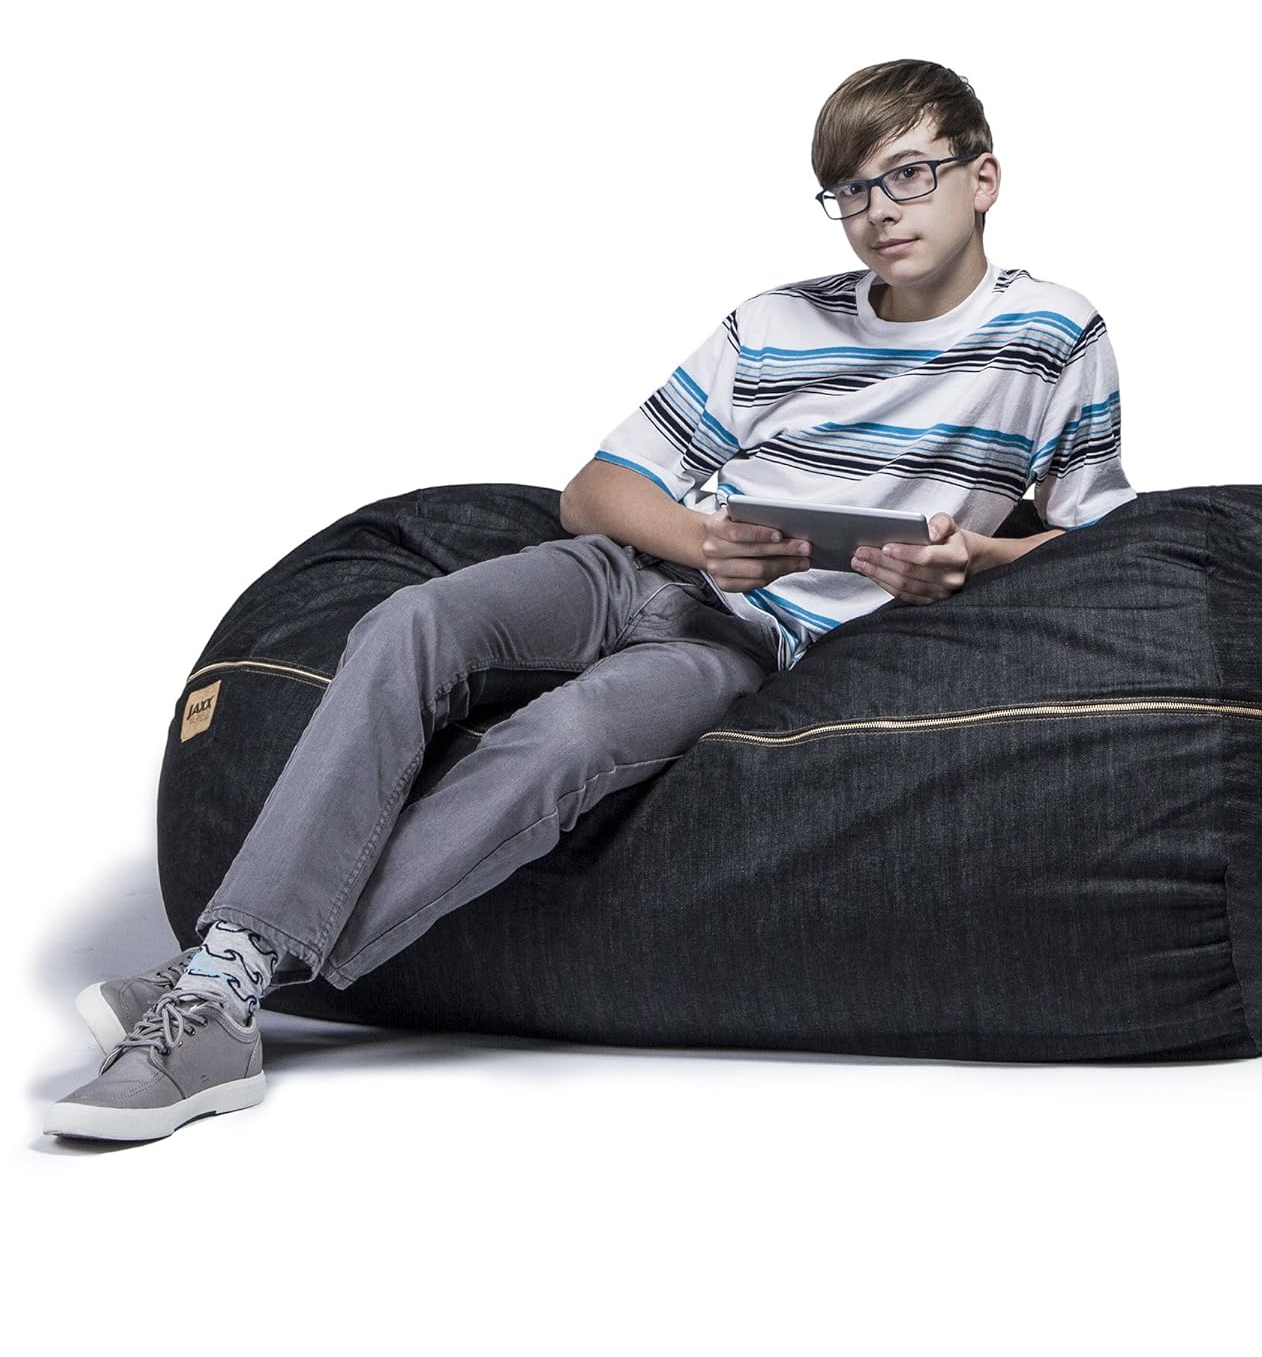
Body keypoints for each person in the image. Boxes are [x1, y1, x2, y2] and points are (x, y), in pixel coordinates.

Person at [44, 58, 1135, 1142]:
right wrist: (703, 538)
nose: (878, 211)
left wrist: (972, 564)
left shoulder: (1054, 335)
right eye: (849, 190)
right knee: (411, 621)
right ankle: (226, 985)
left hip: (748, 641)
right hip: (634, 570)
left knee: (566, 738)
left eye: (908, 176)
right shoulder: (776, 322)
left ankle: (221, 982)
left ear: (982, 178)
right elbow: (594, 492)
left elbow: (1101, 542)